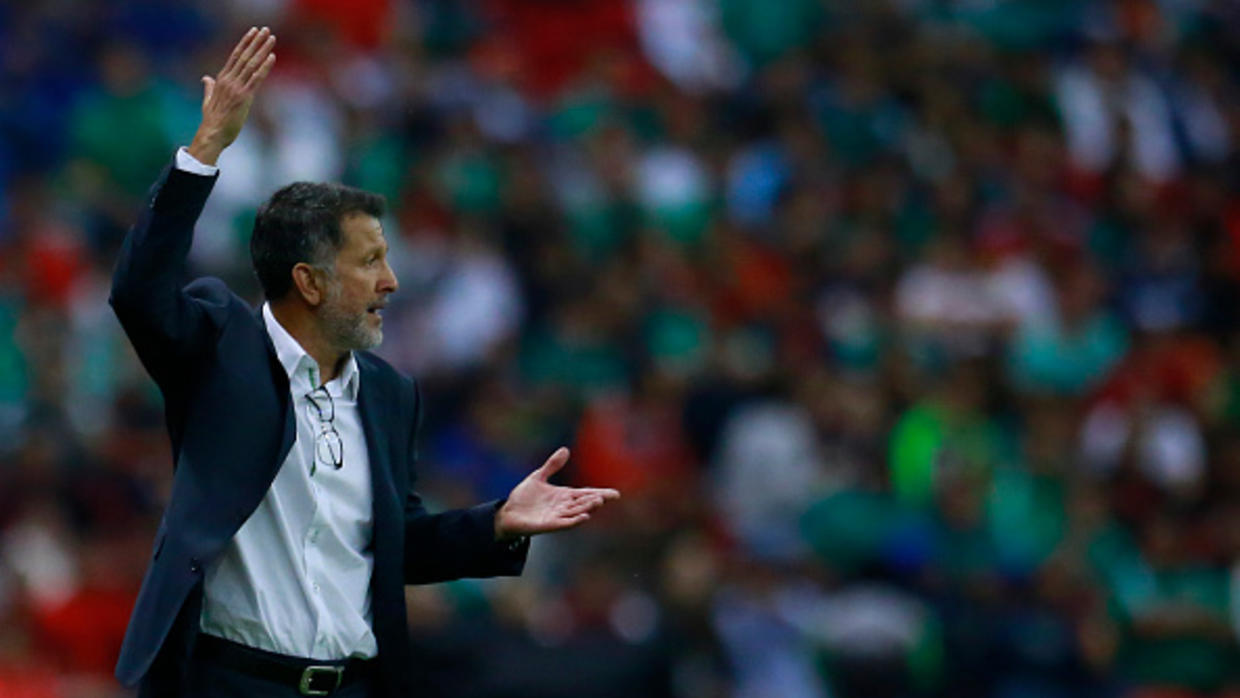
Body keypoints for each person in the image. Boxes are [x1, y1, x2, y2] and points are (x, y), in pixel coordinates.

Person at [109, 27, 620, 698]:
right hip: (231, 684)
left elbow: (394, 544)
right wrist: (204, 151)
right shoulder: (220, 349)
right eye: (370, 261)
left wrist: (494, 522)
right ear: (310, 282)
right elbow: (139, 293)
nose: (391, 281)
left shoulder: (387, 392)